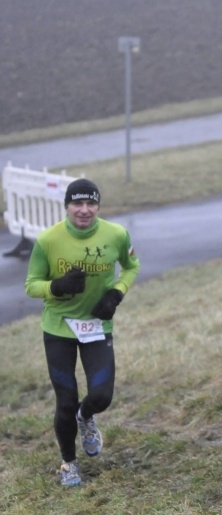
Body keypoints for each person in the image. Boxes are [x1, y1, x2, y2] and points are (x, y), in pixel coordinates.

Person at [25, 178, 141, 487]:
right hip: (59, 327)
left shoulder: (116, 234)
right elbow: (31, 285)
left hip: (96, 325)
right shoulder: (48, 240)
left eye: (91, 203)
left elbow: (132, 266)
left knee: (101, 396)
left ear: (98, 207)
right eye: (77, 203)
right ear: (67, 206)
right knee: (65, 401)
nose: (84, 210)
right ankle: (69, 464)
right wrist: (56, 286)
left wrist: (116, 293)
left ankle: (85, 416)